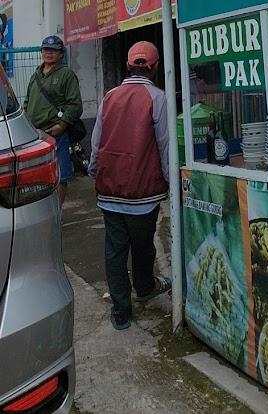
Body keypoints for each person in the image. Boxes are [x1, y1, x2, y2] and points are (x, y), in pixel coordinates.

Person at [88, 41, 171, 331]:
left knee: (114, 250)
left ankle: (121, 311)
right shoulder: (157, 97)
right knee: (143, 246)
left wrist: (94, 170)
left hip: (109, 190)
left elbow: (97, 141)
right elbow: (164, 144)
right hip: (143, 192)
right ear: (155, 67)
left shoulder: (109, 96)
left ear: (127, 66)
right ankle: (145, 288)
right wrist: (170, 179)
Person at [24, 34, 83, 205]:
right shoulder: (35, 75)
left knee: (61, 175)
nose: (49, 53)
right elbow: (27, 101)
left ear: (61, 54)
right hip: (35, 136)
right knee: (36, 178)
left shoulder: (66, 74)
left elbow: (75, 105)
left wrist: (62, 124)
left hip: (55, 134)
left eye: (53, 50)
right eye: (46, 49)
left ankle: (57, 214)